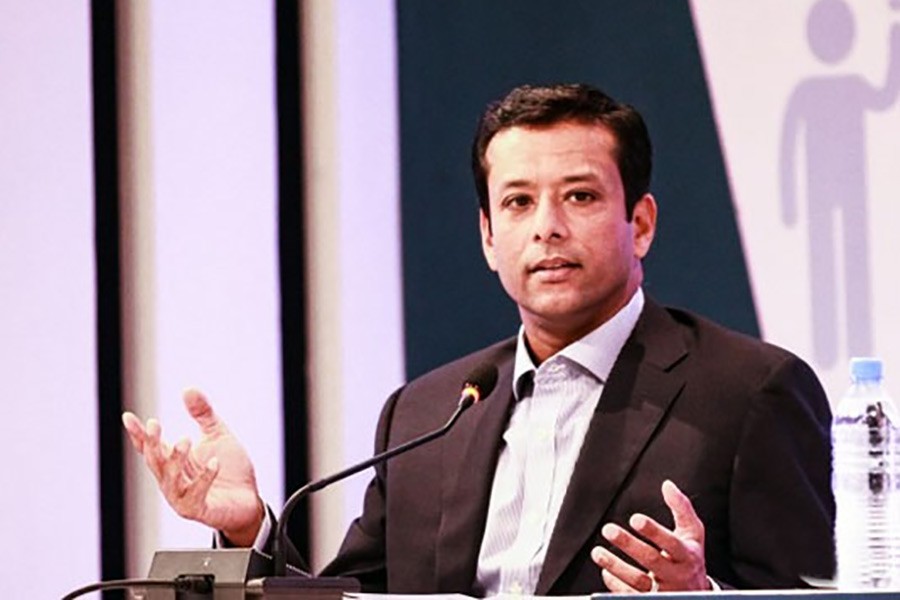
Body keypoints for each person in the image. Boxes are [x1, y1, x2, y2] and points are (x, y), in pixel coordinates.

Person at [123, 83, 835, 594]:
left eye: (580, 196)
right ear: (489, 237)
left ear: (640, 223)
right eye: (518, 202)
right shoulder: (425, 413)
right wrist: (248, 531)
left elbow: (819, 596)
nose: (547, 227)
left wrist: (704, 598)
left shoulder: (748, 393)